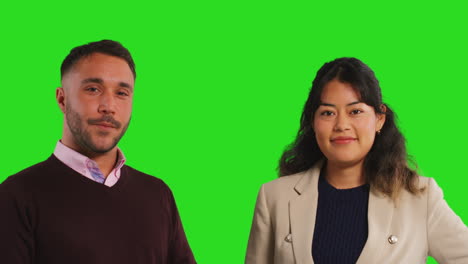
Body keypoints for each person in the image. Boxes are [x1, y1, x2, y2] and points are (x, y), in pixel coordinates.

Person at [245, 57, 468, 264]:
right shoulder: (274, 197)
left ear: (379, 119)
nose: (341, 124)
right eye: (327, 113)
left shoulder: (420, 196)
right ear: (313, 121)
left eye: (355, 111)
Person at [0, 40, 196, 264]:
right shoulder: (17, 196)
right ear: (62, 99)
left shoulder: (158, 194)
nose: (108, 106)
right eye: (93, 89)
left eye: (122, 93)